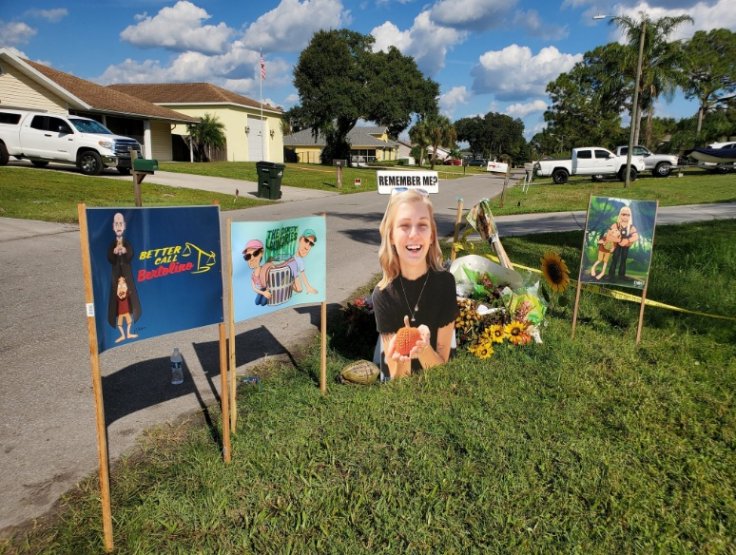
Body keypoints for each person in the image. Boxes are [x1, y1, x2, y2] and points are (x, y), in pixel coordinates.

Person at [372, 189, 458, 380]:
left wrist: (423, 348)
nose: (413, 234)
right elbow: (396, 378)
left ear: (432, 235)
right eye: (404, 225)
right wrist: (404, 356)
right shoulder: (383, 294)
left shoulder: (445, 283)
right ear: (391, 235)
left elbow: (444, 366)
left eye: (422, 225)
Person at [107, 212, 141, 336]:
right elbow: (109, 257)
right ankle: (118, 324)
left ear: (125, 225)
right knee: (117, 299)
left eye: (121, 223)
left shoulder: (126, 242)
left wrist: (126, 251)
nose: (119, 226)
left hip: (126, 272)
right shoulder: (113, 243)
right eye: (116, 224)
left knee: (129, 297)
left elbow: (131, 254)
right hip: (116, 273)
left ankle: (132, 318)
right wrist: (114, 252)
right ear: (113, 226)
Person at [607, 206, 639, 279]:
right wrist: (619, 240)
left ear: (630, 216)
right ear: (620, 215)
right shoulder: (615, 225)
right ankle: (610, 275)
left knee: (623, 259)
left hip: (626, 246)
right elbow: (608, 236)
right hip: (616, 245)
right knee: (615, 258)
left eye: (628, 215)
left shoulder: (631, 227)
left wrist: (627, 240)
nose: (625, 216)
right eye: (623, 214)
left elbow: (636, 236)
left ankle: (621, 275)